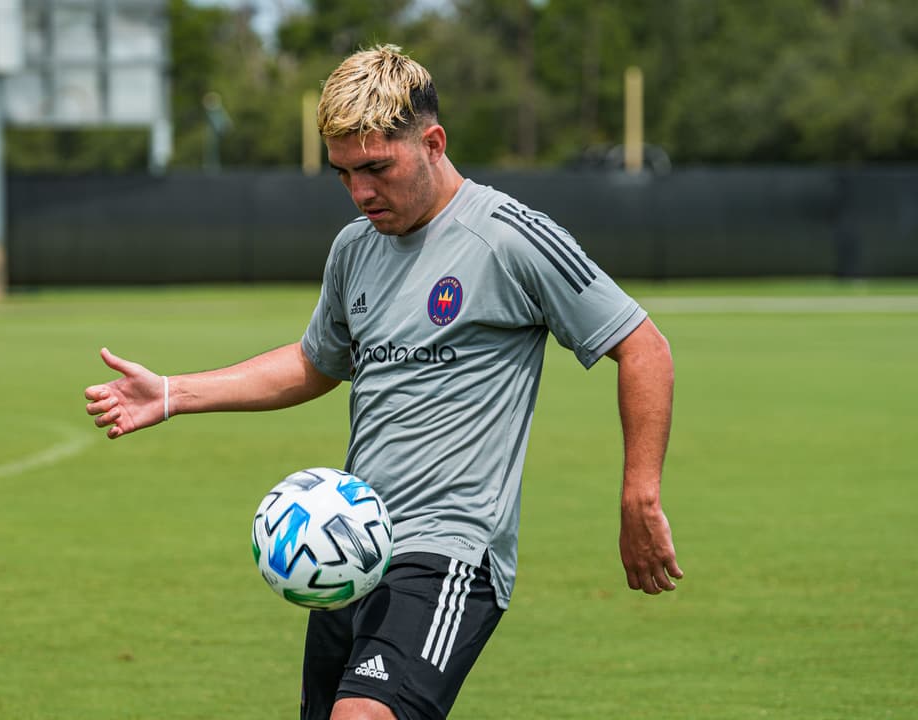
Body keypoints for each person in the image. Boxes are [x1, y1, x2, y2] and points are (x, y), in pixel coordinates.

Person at [84, 44, 682, 720]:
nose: (361, 192)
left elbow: (643, 347)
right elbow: (317, 363)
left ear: (433, 142)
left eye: (376, 168)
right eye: (343, 174)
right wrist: (173, 393)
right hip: (351, 548)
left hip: (451, 548)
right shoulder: (354, 248)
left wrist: (639, 496)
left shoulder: (510, 239)